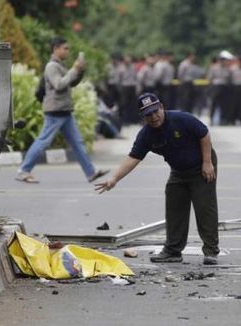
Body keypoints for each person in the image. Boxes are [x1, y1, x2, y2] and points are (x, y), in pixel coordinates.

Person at [95, 92, 220, 265]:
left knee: (205, 207)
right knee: (174, 207)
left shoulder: (181, 119)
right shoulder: (146, 135)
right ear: (143, 116)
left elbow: (204, 134)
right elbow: (133, 158)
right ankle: (173, 251)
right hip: (178, 172)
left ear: (162, 107)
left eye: (155, 111)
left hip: (201, 167)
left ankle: (211, 251)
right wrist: (114, 179)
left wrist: (207, 162)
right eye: (148, 114)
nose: (154, 117)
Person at [15, 36, 109, 184]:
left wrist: (80, 71)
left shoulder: (60, 65)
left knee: (77, 143)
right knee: (43, 141)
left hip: (64, 111)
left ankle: (90, 173)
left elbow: (71, 83)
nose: (67, 51)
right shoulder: (51, 66)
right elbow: (59, 84)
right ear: (55, 49)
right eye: (65, 48)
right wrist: (74, 69)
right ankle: (23, 171)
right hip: (55, 111)